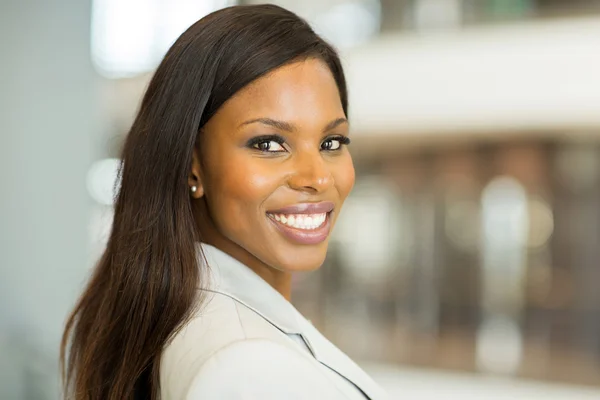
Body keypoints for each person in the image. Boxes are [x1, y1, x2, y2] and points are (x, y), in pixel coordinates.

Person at [61, 4, 388, 400]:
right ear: (192, 164)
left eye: (331, 143)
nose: (317, 177)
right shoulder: (250, 369)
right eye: (268, 144)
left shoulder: (194, 319)